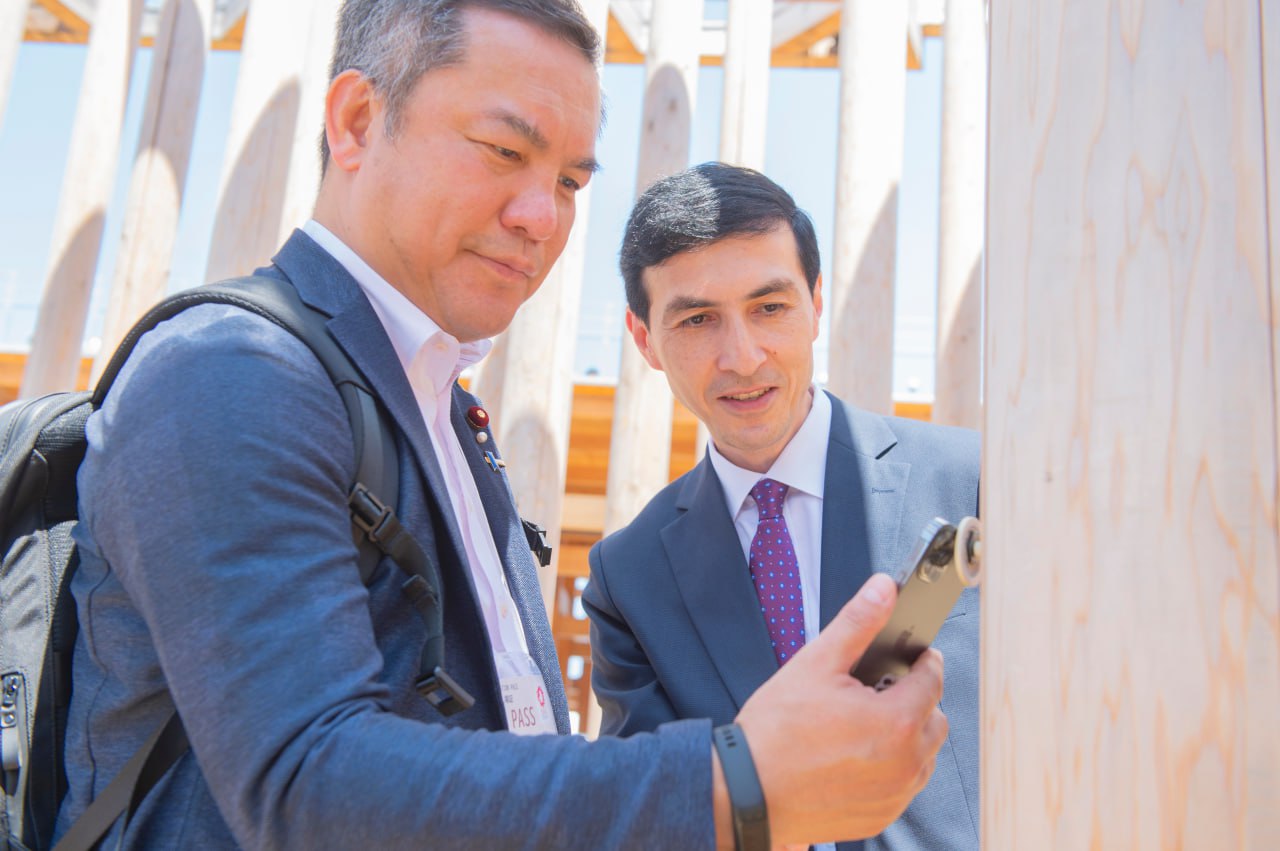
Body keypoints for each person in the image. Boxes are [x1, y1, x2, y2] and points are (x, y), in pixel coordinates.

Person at [56, 3, 949, 849]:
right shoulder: (228, 370)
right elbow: (305, 781)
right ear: (359, 120)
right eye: (501, 151)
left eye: (566, 180)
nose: (542, 218)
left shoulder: (443, 411)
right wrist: (737, 786)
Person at [583, 163, 981, 850]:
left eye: (770, 308)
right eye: (699, 319)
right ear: (644, 338)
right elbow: (657, 818)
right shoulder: (630, 576)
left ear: (817, 302)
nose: (743, 356)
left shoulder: (971, 479)